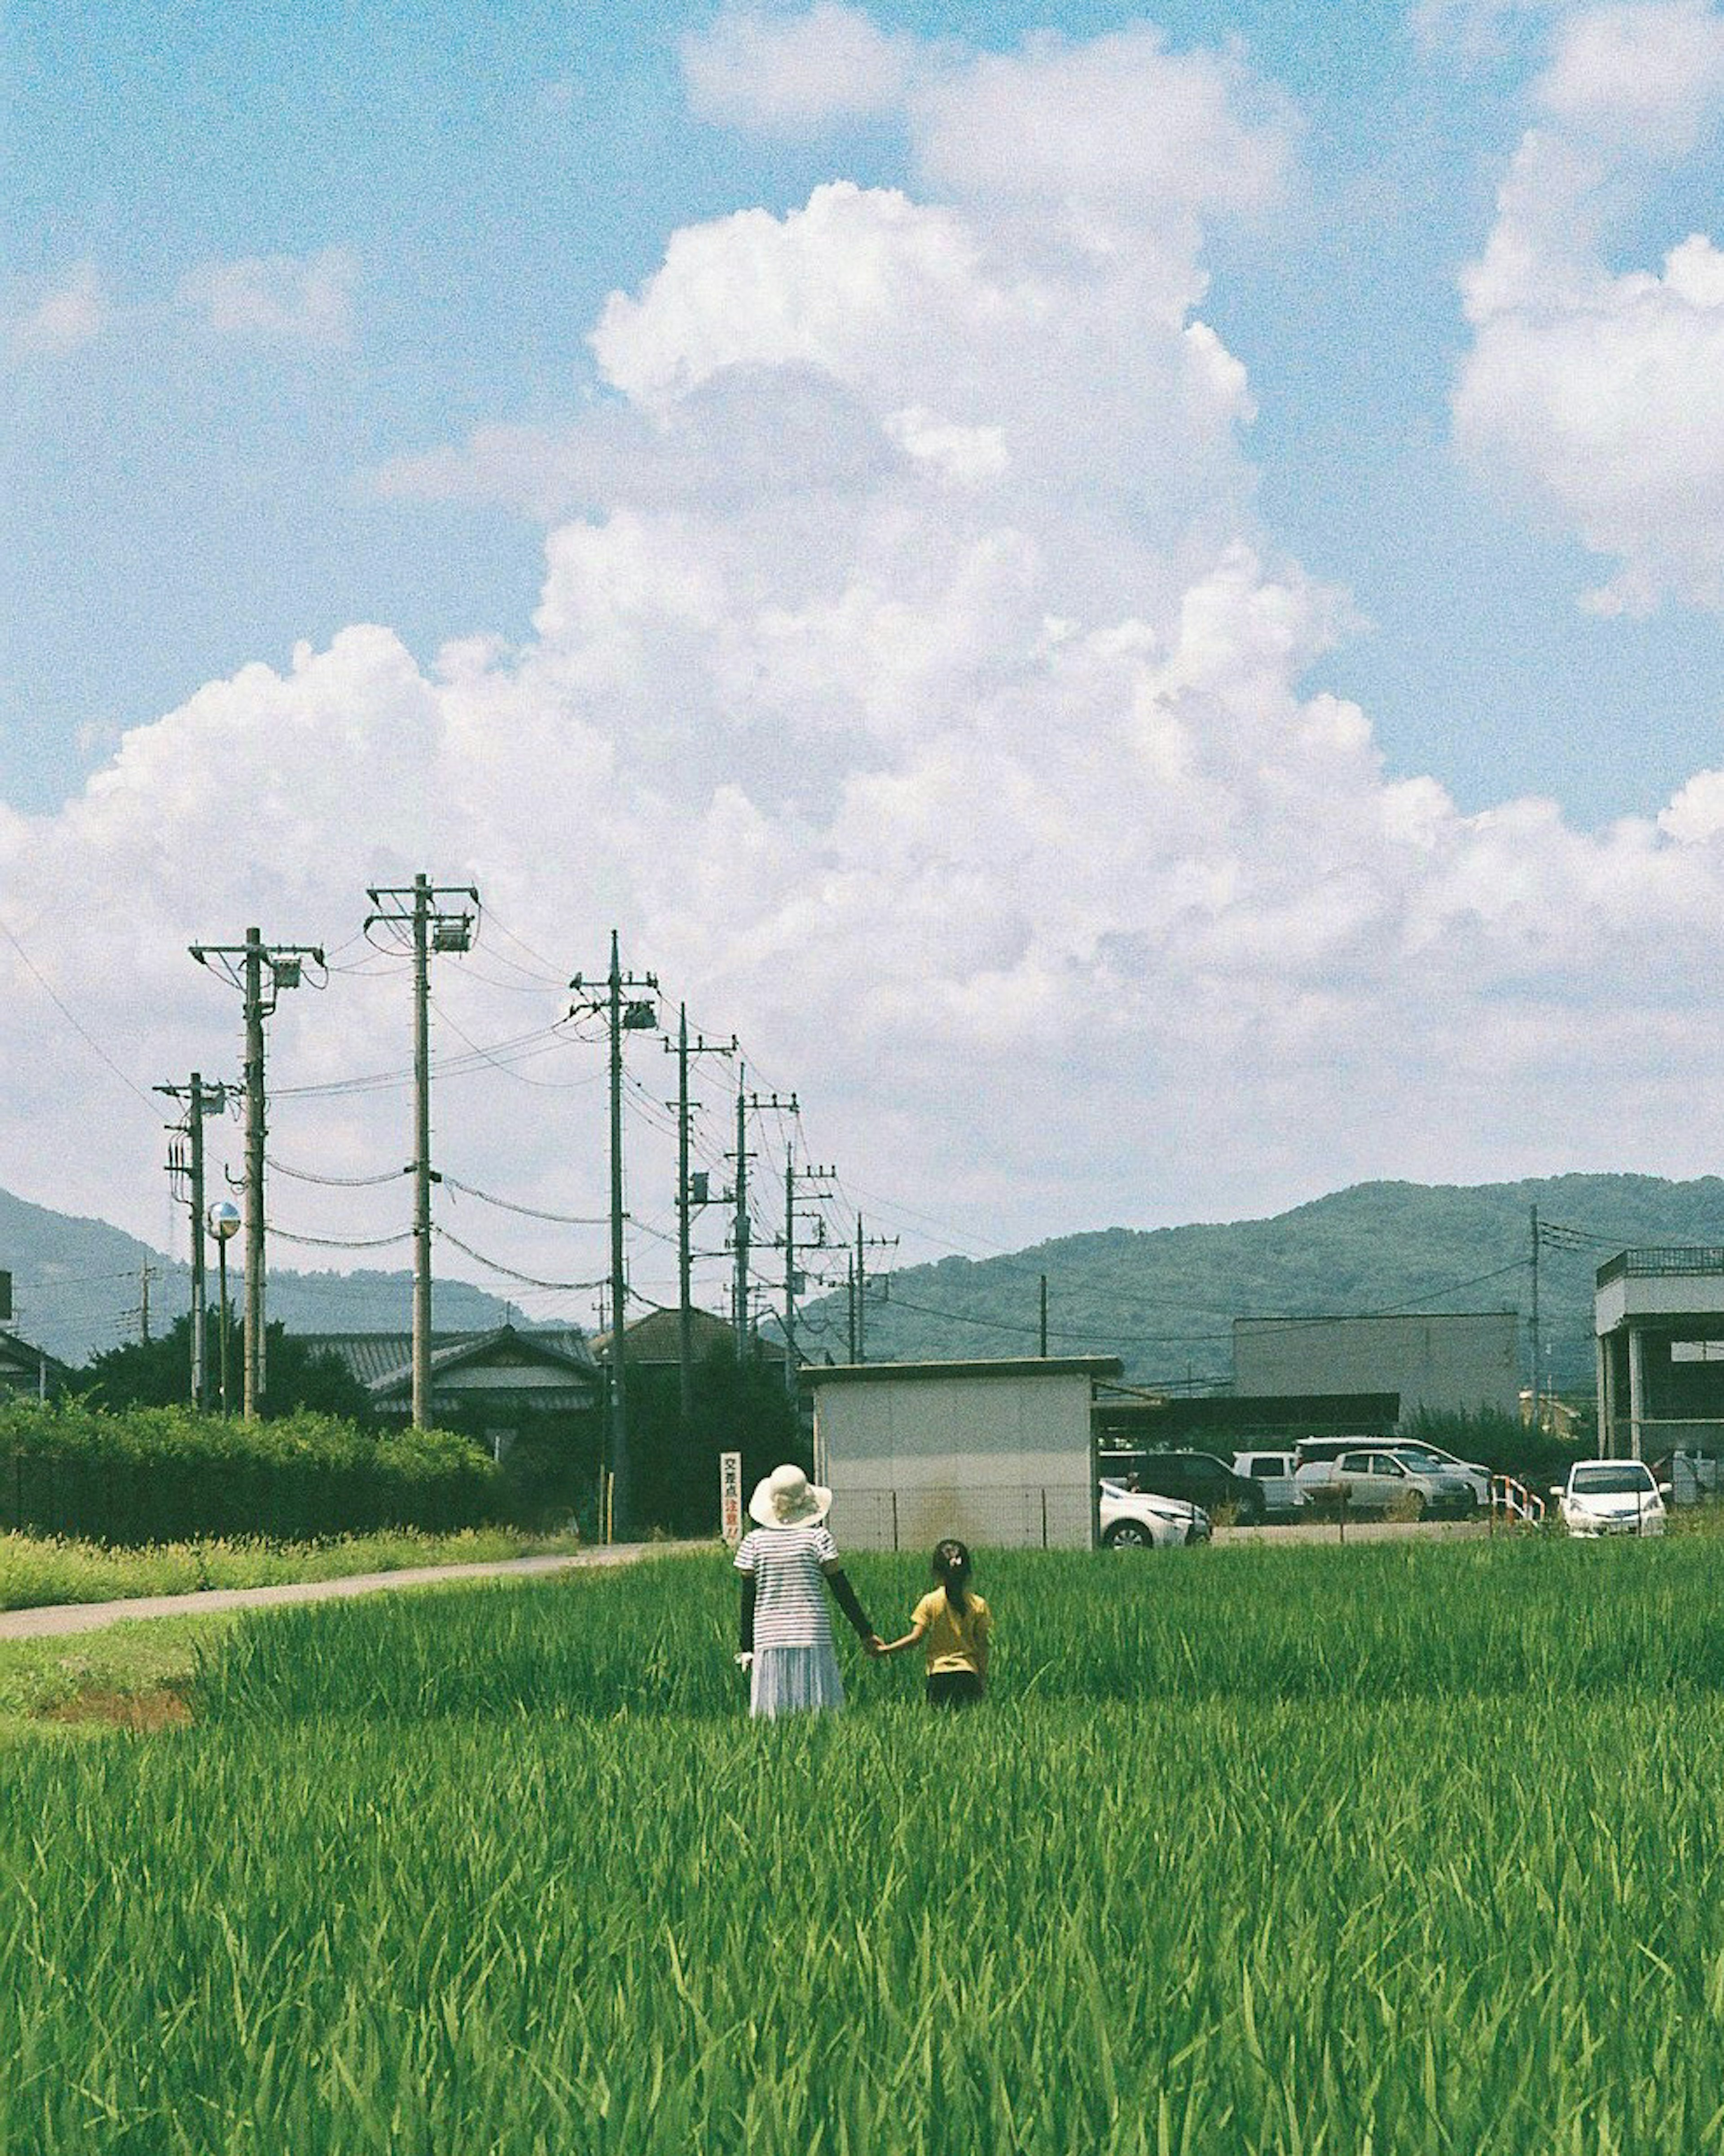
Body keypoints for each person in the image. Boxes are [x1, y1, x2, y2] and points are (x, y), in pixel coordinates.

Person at [734, 1464, 882, 1718]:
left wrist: (746, 1646)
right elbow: (841, 1589)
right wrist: (865, 1632)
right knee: (818, 1708)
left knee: (774, 1713)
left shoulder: (754, 1542)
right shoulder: (818, 1539)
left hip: (769, 1634)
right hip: (812, 1630)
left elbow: (748, 1599)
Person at [878, 1539, 991, 1707]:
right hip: (968, 1675)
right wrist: (982, 1678)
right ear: (967, 1572)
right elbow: (982, 1645)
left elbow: (916, 1638)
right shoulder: (978, 1604)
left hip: (939, 1678)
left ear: (937, 1573)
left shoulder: (930, 1602)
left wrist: (886, 1650)